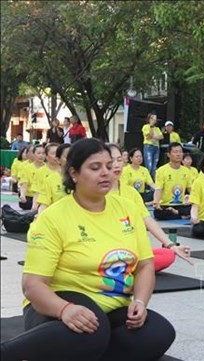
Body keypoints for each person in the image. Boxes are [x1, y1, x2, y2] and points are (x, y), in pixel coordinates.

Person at [0, 139, 175, 361]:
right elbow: (33, 285)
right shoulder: (53, 218)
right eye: (95, 168)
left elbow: (145, 265)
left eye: (109, 167)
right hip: (56, 303)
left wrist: (140, 302)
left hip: (113, 306)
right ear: (74, 174)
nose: (106, 173)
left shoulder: (128, 209)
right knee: (93, 331)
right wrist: (65, 310)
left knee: (158, 333)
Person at [107, 143, 192, 271]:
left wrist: (171, 245)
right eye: (111, 161)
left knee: (168, 255)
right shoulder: (96, 193)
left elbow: (147, 219)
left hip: (133, 250)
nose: (116, 164)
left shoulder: (131, 192)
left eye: (119, 160)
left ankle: (128, 267)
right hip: (109, 248)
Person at [153, 142, 193, 220]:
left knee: (195, 208)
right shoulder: (161, 170)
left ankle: (177, 213)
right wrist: (156, 202)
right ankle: (180, 215)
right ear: (169, 154)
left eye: (180, 152)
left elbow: (190, 189)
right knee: (158, 213)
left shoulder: (186, 171)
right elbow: (158, 189)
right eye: (175, 152)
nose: (178, 154)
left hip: (181, 205)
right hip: (166, 205)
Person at [37, 143, 71, 214]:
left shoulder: (82, 179)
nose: (71, 160)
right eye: (67, 157)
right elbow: (44, 203)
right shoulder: (50, 179)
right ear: (58, 160)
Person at [18, 144, 46, 211]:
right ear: (33, 154)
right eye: (38, 153)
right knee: (24, 203)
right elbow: (24, 183)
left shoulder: (47, 168)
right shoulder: (27, 168)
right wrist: (23, 195)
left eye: (43, 153)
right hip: (30, 196)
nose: (41, 155)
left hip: (43, 197)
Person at [141, 113, 163, 179]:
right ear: (149, 119)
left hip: (156, 147)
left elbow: (161, 137)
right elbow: (148, 136)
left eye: (155, 119)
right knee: (149, 165)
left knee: (154, 166)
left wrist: (154, 136)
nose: (154, 120)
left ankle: (153, 183)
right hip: (149, 146)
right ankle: (147, 181)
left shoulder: (157, 128)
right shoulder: (145, 127)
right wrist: (151, 127)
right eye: (152, 118)